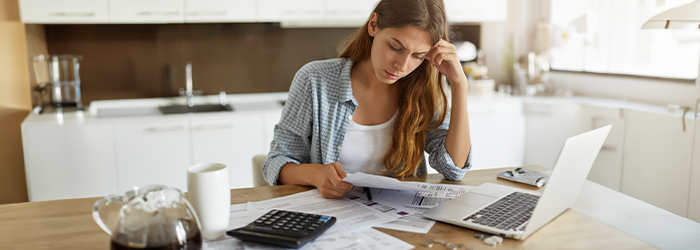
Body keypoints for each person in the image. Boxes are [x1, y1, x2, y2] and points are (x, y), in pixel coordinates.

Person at [263, 0, 472, 199]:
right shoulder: (315, 80)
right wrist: (316, 175)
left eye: (418, 55)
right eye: (395, 47)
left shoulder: (425, 91)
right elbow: (276, 162)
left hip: (397, 222)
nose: (403, 65)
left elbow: (453, 169)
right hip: (329, 219)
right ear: (373, 25)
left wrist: (459, 84)